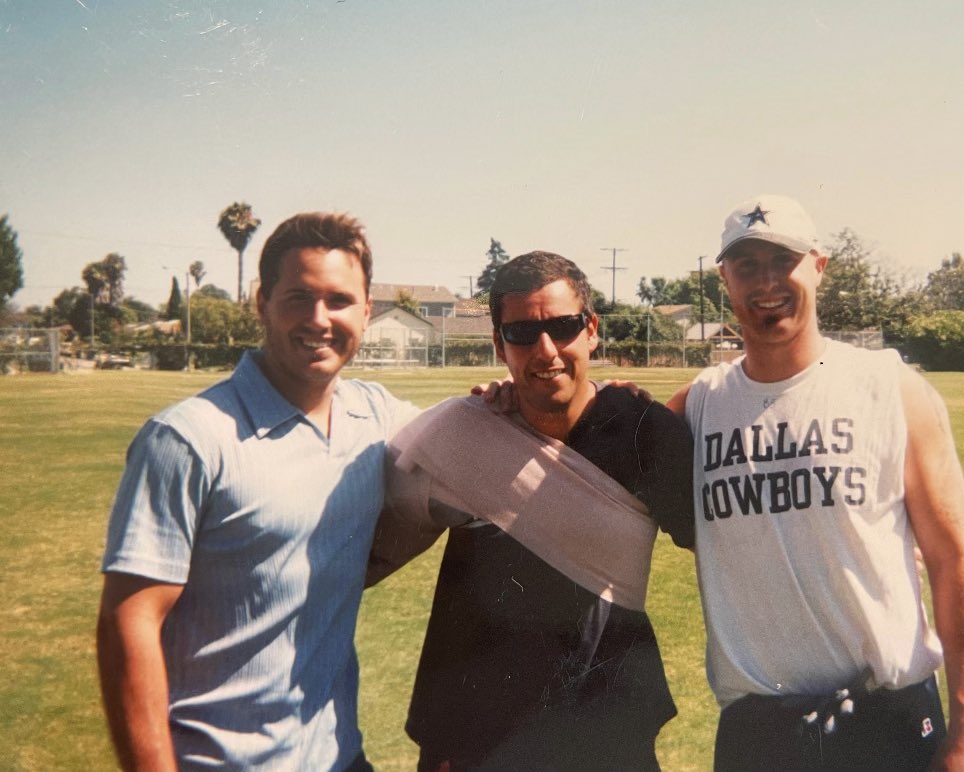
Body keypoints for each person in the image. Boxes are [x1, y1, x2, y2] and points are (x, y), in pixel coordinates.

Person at [667, 194, 964, 771]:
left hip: (885, 727)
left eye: (782, 261)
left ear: (818, 267)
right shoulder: (698, 407)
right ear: (725, 279)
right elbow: (595, 451)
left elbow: (952, 559)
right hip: (757, 737)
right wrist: (506, 400)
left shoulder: (890, 389)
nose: (766, 281)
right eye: (746, 265)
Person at [96, 212, 419, 771]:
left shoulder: (378, 417)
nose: (319, 319)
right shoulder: (187, 439)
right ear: (262, 302)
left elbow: (469, 444)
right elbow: (130, 621)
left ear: (368, 311)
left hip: (341, 760)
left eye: (340, 300)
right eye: (298, 297)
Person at [369, 251, 695, 770]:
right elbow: (367, 558)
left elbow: (732, 547)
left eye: (562, 326)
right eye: (522, 333)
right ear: (499, 344)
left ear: (591, 329)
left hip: (609, 731)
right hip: (478, 740)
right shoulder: (465, 433)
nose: (546, 351)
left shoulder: (644, 432)